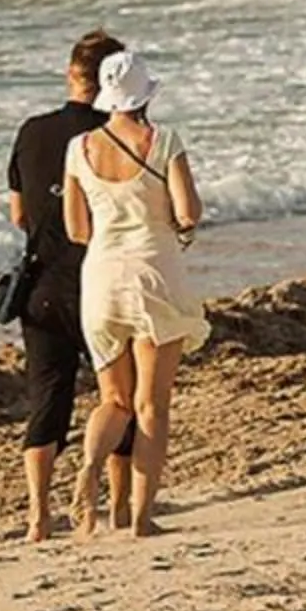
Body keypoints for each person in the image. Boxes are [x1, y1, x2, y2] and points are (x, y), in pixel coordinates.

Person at [61, 47, 207, 538]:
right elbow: (188, 211)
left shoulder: (79, 148)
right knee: (151, 406)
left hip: (100, 278)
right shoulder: (163, 140)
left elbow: (76, 228)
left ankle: (90, 466)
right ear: (145, 96)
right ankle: (142, 518)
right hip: (154, 275)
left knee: (113, 400)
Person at [4, 28, 133, 542]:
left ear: (69, 76)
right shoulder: (117, 135)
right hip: (101, 281)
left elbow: (18, 214)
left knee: (46, 399)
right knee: (119, 397)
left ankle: (38, 515)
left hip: (41, 287)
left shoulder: (31, 131)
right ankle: (119, 508)